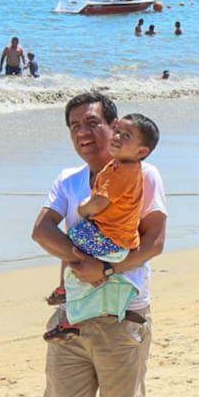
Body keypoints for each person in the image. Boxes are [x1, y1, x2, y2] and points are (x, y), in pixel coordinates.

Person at [30, 92, 168, 397]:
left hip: (122, 315)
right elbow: (41, 230)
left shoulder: (144, 175)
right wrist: (76, 259)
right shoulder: (68, 181)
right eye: (74, 126)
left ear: (116, 128)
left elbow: (153, 244)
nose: (83, 134)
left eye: (92, 123)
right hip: (71, 315)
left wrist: (105, 269)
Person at [44, 113, 159, 342]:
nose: (117, 138)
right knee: (77, 248)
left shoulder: (124, 173)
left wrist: (83, 209)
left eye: (126, 136)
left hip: (111, 239)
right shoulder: (122, 168)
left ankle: (68, 307)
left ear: (141, 152)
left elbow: (99, 202)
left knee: (75, 240)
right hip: (119, 238)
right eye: (118, 132)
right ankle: (68, 294)